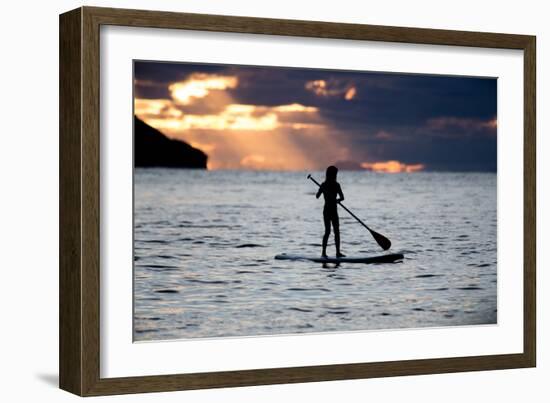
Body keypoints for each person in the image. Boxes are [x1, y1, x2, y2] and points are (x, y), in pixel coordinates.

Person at [316, 165, 345, 258]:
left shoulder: (337, 185)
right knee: (328, 231)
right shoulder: (324, 184)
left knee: (337, 231)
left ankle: (338, 253)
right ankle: (323, 253)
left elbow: (342, 197)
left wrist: (338, 200)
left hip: (334, 211)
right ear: (331, 174)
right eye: (335, 174)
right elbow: (317, 196)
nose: (336, 175)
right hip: (327, 211)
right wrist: (321, 189)